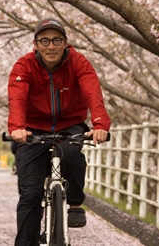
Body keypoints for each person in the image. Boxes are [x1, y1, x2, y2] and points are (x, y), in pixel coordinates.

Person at [8, 17, 111, 246]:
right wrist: (17, 128)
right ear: (35, 44)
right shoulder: (24, 66)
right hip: (32, 129)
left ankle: (74, 203)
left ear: (66, 43)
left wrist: (100, 125)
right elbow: (17, 98)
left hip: (70, 124)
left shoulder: (79, 63)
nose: (50, 46)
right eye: (44, 41)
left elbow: (93, 94)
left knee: (73, 155)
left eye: (57, 40)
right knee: (30, 195)